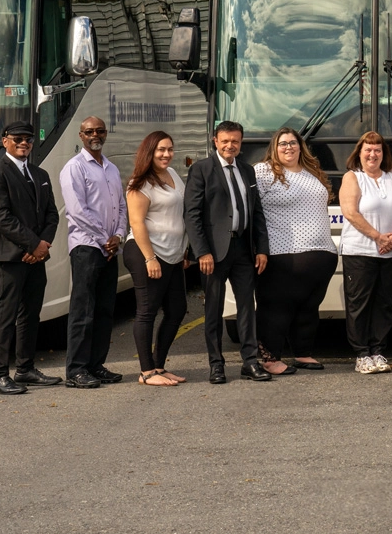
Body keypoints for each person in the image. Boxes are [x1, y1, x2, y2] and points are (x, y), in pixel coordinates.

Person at [185, 121, 272, 384]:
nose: (230, 146)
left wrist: (262, 249)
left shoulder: (247, 171)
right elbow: (192, 214)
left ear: (241, 143)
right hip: (213, 252)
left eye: (235, 141)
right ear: (215, 141)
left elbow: (257, 212)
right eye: (225, 141)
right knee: (213, 309)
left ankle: (250, 362)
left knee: (247, 307)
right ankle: (216, 364)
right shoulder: (201, 170)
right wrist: (201, 252)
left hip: (244, 249)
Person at [0, 121, 62, 395]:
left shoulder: (40, 174)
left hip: (36, 256)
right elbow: (0, 217)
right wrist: (33, 244)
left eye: (28, 139)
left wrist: (43, 245)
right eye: (17, 138)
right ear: (5, 141)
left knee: (31, 314)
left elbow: (52, 214)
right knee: (6, 316)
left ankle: (25, 369)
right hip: (11, 257)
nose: (24, 143)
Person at [254, 127, 338, 376]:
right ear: (274, 148)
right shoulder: (263, 172)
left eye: (293, 142)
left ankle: (302, 352)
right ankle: (269, 358)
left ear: (301, 146)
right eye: (282, 144)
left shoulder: (312, 172)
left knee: (308, 307)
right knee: (277, 308)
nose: (288, 147)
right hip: (283, 254)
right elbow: (251, 210)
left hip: (322, 253)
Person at [59, 116, 128, 389]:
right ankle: (76, 370)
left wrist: (119, 236)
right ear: (81, 135)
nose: (94, 135)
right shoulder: (74, 168)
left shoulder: (110, 168)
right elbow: (77, 211)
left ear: (106, 134)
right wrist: (104, 239)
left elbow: (121, 206)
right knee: (82, 312)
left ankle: (96, 365)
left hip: (110, 249)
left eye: (99, 130)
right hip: (87, 247)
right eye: (89, 131)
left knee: (104, 311)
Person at [339, 131, 392, 374]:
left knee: (385, 304)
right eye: (368, 149)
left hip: (391, 253)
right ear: (359, 153)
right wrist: (379, 237)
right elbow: (350, 213)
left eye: (377, 150)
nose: (373, 154)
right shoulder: (353, 177)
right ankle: (362, 354)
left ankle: (378, 351)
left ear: (384, 153)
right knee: (359, 304)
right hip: (360, 253)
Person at [122, 131, 189, 386]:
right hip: (146, 253)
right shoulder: (140, 183)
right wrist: (150, 258)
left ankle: (159, 366)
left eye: (170, 149)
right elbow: (137, 223)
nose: (166, 154)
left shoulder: (172, 175)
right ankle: (146, 372)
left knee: (178, 309)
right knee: (147, 311)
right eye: (161, 150)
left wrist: (182, 250)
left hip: (171, 254)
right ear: (149, 152)